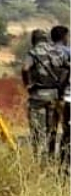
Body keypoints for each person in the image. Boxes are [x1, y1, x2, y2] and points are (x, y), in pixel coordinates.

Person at [20, 27, 68, 161]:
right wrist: (61, 87)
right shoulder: (57, 51)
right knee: (52, 131)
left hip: (38, 97)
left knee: (38, 132)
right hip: (55, 97)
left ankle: (40, 163)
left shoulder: (33, 52)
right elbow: (67, 67)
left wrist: (28, 85)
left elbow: (25, 68)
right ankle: (52, 159)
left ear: (34, 40)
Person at [51, 25, 71, 169]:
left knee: (51, 129)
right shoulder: (69, 52)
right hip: (67, 97)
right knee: (67, 131)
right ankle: (65, 164)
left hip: (49, 97)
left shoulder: (47, 52)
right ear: (64, 37)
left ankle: (49, 160)